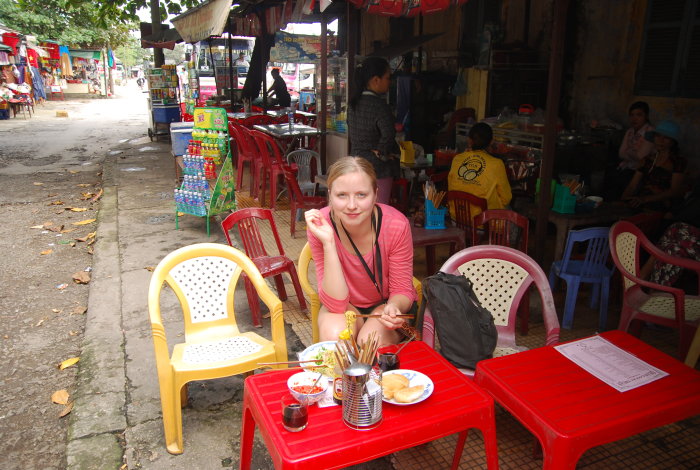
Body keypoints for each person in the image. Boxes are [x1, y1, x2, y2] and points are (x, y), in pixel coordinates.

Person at [304, 156, 417, 346]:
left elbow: (402, 289)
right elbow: (336, 304)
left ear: (375, 194)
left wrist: (394, 307)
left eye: (361, 195)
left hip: (386, 304)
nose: (351, 206)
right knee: (336, 338)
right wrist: (329, 243)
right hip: (345, 305)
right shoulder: (320, 224)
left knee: (370, 341)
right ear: (330, 194)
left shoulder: (396, 225)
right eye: (341, 195)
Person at [347, 57, 399, 204]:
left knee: (359, 209)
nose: (390, 82)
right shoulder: (380, 105)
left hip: (355, 164)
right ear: (376, 80)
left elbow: (352, 132)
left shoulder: (353, 103)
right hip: (378, 169)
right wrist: (382, 153)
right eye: (388, 78)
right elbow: (389, 134)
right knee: (379, 212)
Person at [447, 122, 512, 219]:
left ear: (469, 140)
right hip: (483, 225)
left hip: (457, 219)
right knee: (513, 217)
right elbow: (506, 199)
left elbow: (451, 186)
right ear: (491, 142)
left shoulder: (457, 159)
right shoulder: (497, 164)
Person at [621, 119, 686, 212]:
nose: (661, 140)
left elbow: (674, 190)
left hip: (663, 204)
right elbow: (632, 185)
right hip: (641, 200)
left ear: (672, 142)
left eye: (666, 137)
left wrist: (645, 199)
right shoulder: (647, 160)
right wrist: (624, 199)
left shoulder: (678, 161)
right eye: (658, 136)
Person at [618, 101, 655, 171]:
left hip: (642, 171)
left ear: (646, 116)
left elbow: (641, 156)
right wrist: (634, 154)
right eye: (632, 115)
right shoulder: (629, 131)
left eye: (639, 115)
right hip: (627, 167)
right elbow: (621, 154)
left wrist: (628, 152)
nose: (634, 119)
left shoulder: (650, 131)